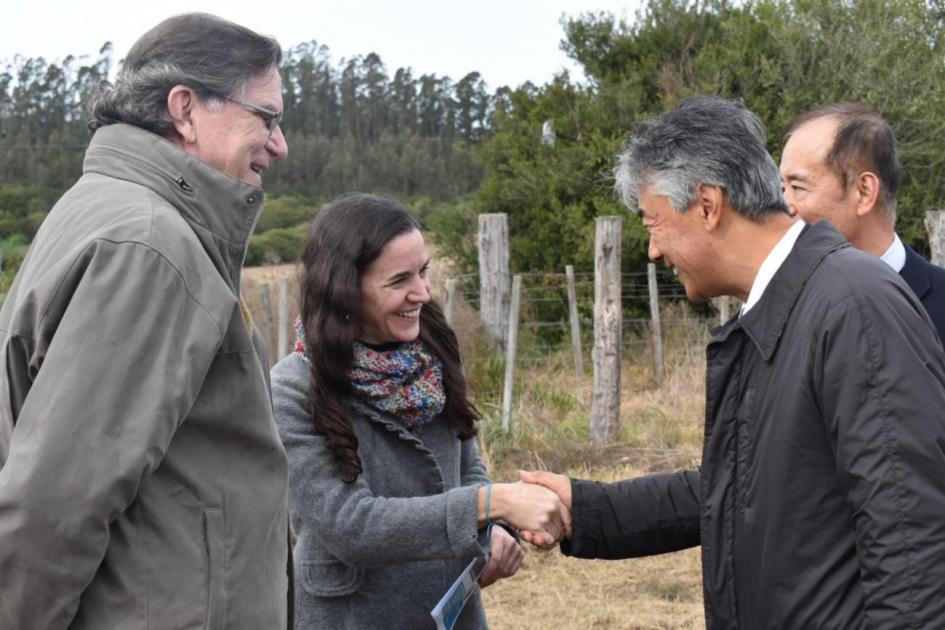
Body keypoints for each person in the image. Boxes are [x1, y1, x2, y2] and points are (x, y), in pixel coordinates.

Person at [521, 96, 945, 627]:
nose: (653, 251)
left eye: (653, 223)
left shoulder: (852, 303)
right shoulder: (781, 308)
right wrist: (586, 509)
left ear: (707, 205)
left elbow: (910, 543)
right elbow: (739, 486)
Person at [0, 14, 292, 629]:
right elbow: (56, 502)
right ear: (185, 109)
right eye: (266, 118)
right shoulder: (152, 247)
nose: (279, 144)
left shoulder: (104, 208)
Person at [271, 193, 570, 629]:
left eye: (424, 271)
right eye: (399, 281)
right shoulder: (293, 389)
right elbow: (351, 527)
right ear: (344, 289)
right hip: (351, 618)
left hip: (450, 609)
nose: (423, 293)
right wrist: (491, 504)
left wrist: (493, 532)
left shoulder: (433, 354)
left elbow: (468, 466)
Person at [780, 103, 945, 342]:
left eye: (797, 187)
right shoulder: (780, 307)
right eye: (782, 187)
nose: (784, 205)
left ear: (864, 192)